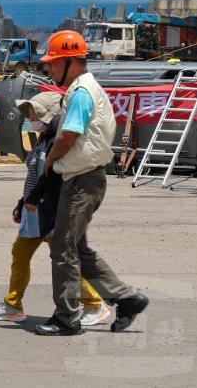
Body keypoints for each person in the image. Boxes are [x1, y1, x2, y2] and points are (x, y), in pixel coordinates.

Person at [34, 30, 148, 336]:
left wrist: (49, 160)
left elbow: (69, 135)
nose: (50, 69)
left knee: (63, 247)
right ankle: (127, 298)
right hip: (83, 177)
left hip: (82, 180)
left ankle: (67, 318)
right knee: (77, 248)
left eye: (54, 63)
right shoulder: (81, 89)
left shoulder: (82, 92)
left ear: (71, 62)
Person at [0, 92, 109, 326]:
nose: (32, 119)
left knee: (64, 261)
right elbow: (34, 177)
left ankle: (94, 304)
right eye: (29, 114)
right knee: (20, 254)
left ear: (50, 115)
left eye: (35, 114)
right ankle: (13, 304)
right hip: (34, 213)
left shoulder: (59, 143)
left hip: (51, 214)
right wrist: (23, 203)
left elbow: (53, 180)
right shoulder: (42, 140)